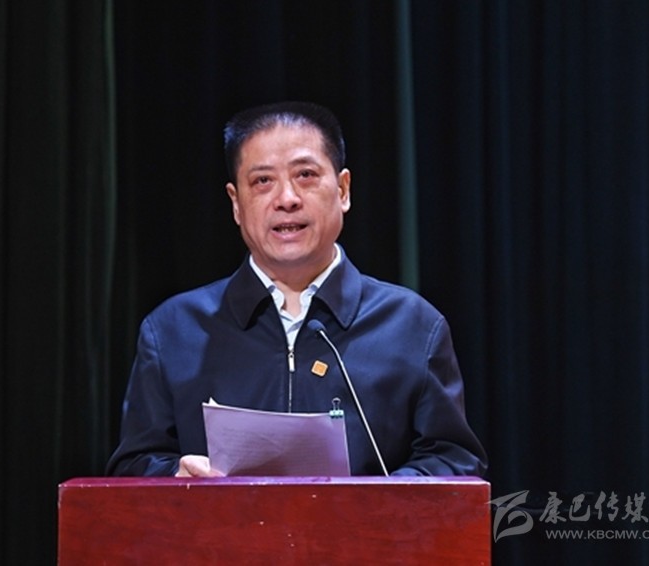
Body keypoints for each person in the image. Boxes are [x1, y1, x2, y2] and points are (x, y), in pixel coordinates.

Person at [106, 101, 487, 478]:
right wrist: (178, 477)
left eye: (305, 175)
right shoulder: (173, 331)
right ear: (236, 204)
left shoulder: (412, 326)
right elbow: (134, 466)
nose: (286, 199)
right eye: (262, 181)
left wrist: (373, 500)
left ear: (343, 190)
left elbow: (454, 464)